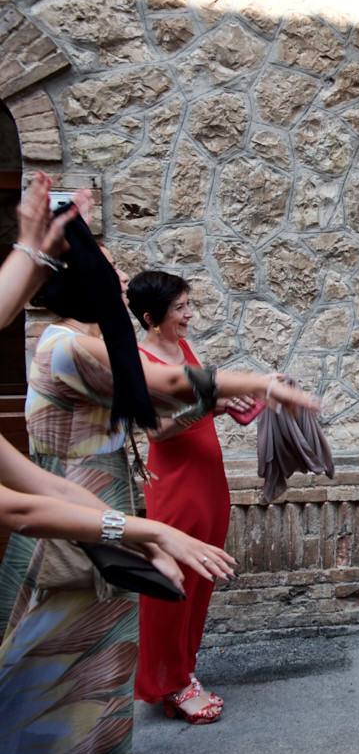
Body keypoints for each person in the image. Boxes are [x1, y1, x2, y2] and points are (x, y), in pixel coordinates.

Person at [0, 190, 318, 754]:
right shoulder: (65, 346)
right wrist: (261, 383)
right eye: (110, 268)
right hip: (76, 532)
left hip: (98, 514)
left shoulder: (80, 344)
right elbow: (165, 385)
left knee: (105, 663)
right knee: (56, 672)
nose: (122, 278)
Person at [127, 271, 248, 723]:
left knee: (200, 584)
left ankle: (183, 671)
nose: (189, 314)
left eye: (187, 304)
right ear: (150, 318)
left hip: (209, 481)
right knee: (171, 585)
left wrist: (225, 405)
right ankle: (170, 683)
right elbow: (155, 430)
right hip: (175, 485)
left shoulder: (179, 348)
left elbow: (201, 401)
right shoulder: (140, 359)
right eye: (179, 308)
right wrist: (208, 405)